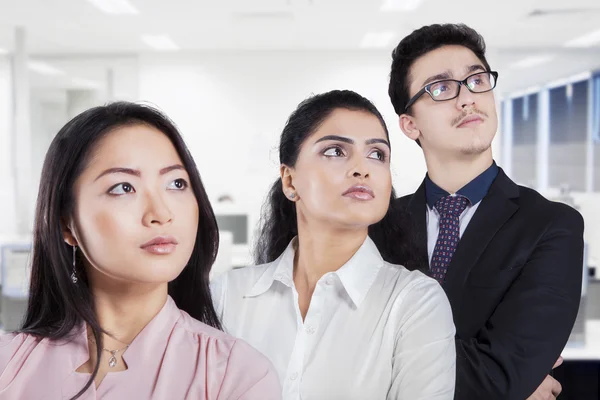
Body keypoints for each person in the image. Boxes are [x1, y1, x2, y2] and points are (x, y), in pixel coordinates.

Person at [0, 102, 281, 400]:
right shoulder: (9, 364)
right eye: (123, 187)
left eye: (176, 183)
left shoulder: (237, 375)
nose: (160, 213)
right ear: (67, 225)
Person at [211, 90, 456, 400]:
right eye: (335, 151)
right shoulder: (228, 295)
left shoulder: (415, 303)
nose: (362, 168)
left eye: (377, 154)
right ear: (289, 180)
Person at [388, 23, 584, 400]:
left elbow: (500, 376)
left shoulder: (551, 226)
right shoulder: (378, 226)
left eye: (476, 80)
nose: (467, 99)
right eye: (441, 88)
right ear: (410, 125)